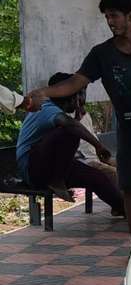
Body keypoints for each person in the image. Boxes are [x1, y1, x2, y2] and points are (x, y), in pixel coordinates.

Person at [26, 0, 131, 243]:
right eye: (106, 17)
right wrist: (44, 92)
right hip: (129, 132)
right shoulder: (101, 54)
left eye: (114, 15)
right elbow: (75, 82)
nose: (110, 21)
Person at [15, 80, 124, 213]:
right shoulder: (46, 107)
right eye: (79, 95)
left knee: (97, 177)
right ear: (71, 97)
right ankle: (57, 181)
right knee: (69, 131)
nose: (81, 99)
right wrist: (98, 146)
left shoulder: (59, 111)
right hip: (33, 171)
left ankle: (123, 209)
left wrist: (77, 117)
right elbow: (69, 126)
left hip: (53, 167)